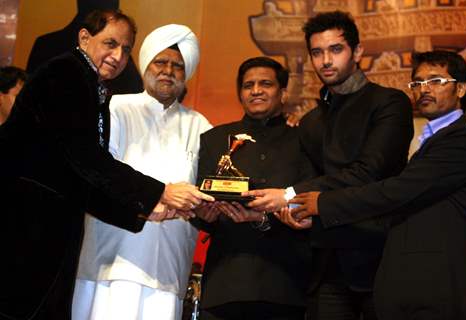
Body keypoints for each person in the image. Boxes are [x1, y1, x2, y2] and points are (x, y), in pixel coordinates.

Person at [0, 10, 212, 320]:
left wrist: (143, 211)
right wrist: (160, 192)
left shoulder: (92, 85)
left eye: (125, 49)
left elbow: (83, 180)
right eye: (110, 43)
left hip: (52, 230)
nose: (117, 55)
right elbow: (87, 159)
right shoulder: (66, 74)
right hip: (27, 225)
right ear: (84, 38)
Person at [284, 51, 466, 320]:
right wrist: (319, 220)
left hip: (435, 292)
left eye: (436, 81)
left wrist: (323, 203)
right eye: (417, 83)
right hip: (406, 292)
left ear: (461, 88)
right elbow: (392, 212)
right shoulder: (428, 143)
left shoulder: (462, 142)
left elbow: (395, 192)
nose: (424, 90)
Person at [245, 11, 414, 320]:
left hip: (381, 257)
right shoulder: (310, 122)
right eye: (317, 52)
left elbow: (369, 173)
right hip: (326, 264)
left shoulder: (389, 103)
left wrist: (289, 194)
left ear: (358, 52)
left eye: (336, 49)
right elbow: (311, 182)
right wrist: (293, 210)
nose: (325, 60)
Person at [72, 24, 211, 320]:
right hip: (110, 259)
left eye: (177, 66)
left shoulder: (200, 126)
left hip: (168, 266)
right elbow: (100, 173)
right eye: (160, 62)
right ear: (146, 64)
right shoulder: (115, 108)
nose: (168, 71)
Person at [194, 57, 315, 320]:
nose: (256, 90)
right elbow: (200, 200)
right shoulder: (215, 139)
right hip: (225, 283)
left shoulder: (304, 139)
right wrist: (203, 216)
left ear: (283, 93)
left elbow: (310, 198)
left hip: (284, 283)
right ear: (240, 93)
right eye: (248, 85)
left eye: (266, 84)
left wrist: (264, 218)